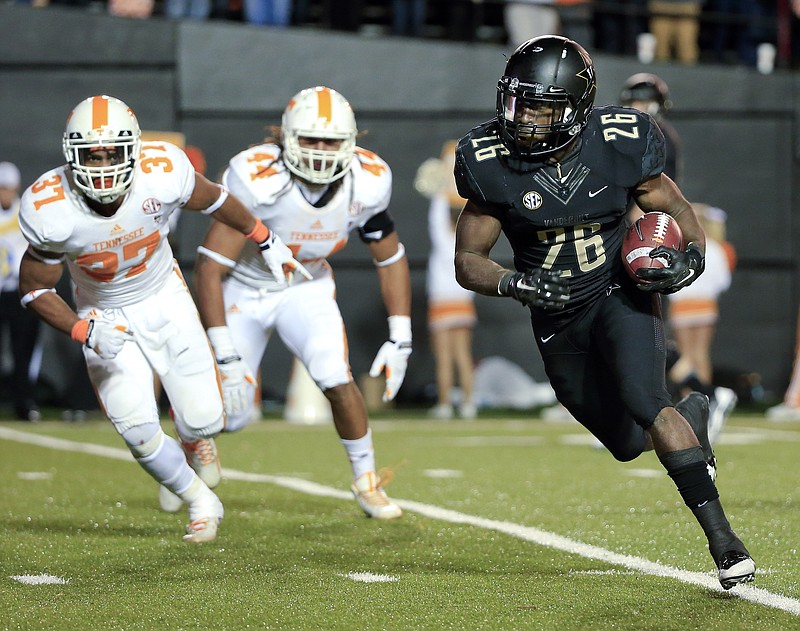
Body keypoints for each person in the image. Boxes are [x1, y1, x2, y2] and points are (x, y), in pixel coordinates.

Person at [452, 35, 755, 589]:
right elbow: (468, 261)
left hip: (620, 292)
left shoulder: (622, 141)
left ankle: (724, 543)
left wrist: (690, 257)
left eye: (540, 108)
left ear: (574, 107)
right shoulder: (489, 160)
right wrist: (516, 283)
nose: (523, 119)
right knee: (623, 443)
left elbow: (676, 206)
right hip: (556, 316)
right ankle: (693, 416)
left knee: (646, 401)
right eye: (518, 102)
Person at [17, 94, 306, 543]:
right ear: (70, 155)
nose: (102, 166)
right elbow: (34, 288)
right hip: (103, 310)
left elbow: (216, 200)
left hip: (162, 295)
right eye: (91, 154)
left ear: (132, 149)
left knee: (205, 417)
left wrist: (265, 239)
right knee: (136, 428)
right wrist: (82, 328)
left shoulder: (162, 171)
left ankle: (193, 440)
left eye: (112, 152)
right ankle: (200, 501)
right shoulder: (48, 206)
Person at [192, 86, 410, 520]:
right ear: (286, 137)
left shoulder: (368, 180)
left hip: (306, 285)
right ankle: (190, 447)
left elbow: (390, 256)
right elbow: (210, 267)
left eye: (331, 141)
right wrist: (224, 350)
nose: (321, 151)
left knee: (335, 376)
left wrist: (401, 336)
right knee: (228, 415)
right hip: (245, 286)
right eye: (310, 139)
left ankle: (366, 481)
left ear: (351, 142)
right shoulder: (257, 179)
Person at [415, 140, 477, 420]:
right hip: (463, 297)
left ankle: (444, 404)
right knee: (463, 355)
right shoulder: (468, 235)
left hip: (442, 296)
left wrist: (442, 184)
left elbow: (438, 211)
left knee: (443, 356)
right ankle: (467, 403)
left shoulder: (441, 232)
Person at [668, 203, 737, 441]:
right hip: (706, 305)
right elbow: (723, 281)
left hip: (683, 305)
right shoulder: (717, 247)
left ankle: (694, 405)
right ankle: (706, 405)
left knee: (686, 356)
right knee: (700, 355)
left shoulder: (679, 244)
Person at [0, 162, 43, 421]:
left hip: (17, 289)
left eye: (7, 188)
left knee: (23, 347)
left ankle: (24, 401)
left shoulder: (25, 213)